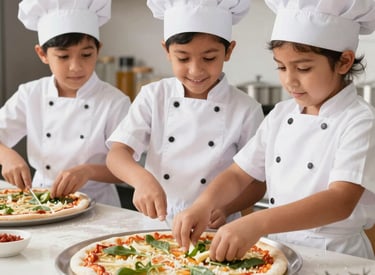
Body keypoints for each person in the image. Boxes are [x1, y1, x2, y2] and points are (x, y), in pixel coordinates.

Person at [172, 0, 375, 260]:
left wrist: (258, 222)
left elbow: (340, 200)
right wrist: (204, 204)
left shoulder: (360, 121)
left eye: (303, 68)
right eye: (281, 66)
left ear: (344, 62)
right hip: (278, 249)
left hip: (335, 256)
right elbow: (238, 173)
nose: (289, 80)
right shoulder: (281, 114)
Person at [106, 0, 265, 226]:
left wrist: (224, 208)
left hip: (215, 228)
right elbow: (117, 153)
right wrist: (141, 180)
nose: (195, 70)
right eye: (183, 58)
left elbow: (258, 183)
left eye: (209, 58)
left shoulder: (246, 109)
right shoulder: (154, 95)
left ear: (228, 51)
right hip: (157, 222)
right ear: (167, 51)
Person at [0, 0, 131, 207]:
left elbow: (129, 171)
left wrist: (88, 171)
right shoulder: (30, 94)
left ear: (98, 49)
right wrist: (6, 155)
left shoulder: (114, 102)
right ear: (42, 54)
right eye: (63, 56)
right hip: (40, 202)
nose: (76, 67)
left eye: (86, 55)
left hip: (99, 207)